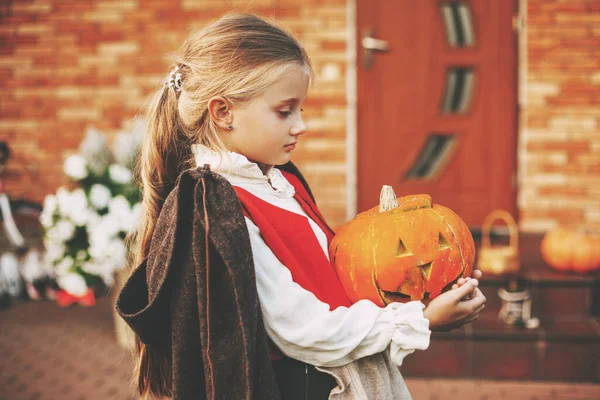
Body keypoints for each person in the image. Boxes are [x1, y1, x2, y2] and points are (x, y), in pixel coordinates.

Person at [115, 12, 486, 400]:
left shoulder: (281, 180)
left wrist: (430, 287)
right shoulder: (219, 208)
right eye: (284, 111)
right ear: (223, 112)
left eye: (300, 110)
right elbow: (301, 329)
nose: (300, 125)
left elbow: (333, 280)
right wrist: (421, 319)